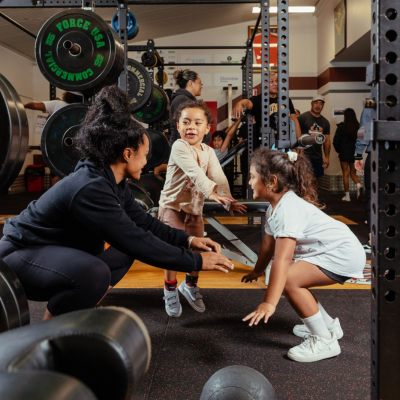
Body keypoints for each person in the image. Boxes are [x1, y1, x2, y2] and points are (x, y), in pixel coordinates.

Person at [0, 86, 234, 321]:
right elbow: (135, 239)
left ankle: (77, 309)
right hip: (17, 259)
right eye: (145, 154)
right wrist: (196, 261)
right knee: (96, 271)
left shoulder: (113, 179)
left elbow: (142, 223)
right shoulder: (91, 187)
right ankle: (50, 332)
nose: (147, 162)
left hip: (51, 250)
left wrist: (189, 240)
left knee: (122, 254)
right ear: (127, 154)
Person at [241, 149, 365, 363]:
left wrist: (269, 303)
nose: (249, 182)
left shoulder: (288, 208)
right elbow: (267, 246)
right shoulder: (274, 209)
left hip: (342, 253)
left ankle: (324, 339)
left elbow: (282, 260)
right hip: (335, 250)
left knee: (288, 278)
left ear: (271, 181)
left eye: (252, 177)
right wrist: (258, 270)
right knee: (289, 278)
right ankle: (327, 325)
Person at [159, 99, 247, 317]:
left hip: (193, 209)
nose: (191, 127)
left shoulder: (208, 151)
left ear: (207, 128)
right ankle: (170, 288)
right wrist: (211, 192)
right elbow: (194, 173)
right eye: (186, 122)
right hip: (172, 206)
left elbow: (218, 175)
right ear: (177, 126)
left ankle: (190, 286)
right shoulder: (179, 146)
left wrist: (228, 200)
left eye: (198, 123)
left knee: (199, 249)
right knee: (173, 251)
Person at [232, 73, 301, 149]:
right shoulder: (258, 100)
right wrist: (239, 103)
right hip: (265, 144)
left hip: (284, 142)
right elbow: (248, 103)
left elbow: (295, 121)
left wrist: (299, 142)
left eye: (277, 81)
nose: (275, 84)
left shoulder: (285, 100)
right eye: (271, 82)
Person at [169, 69, 211, 146]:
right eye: (199, 83)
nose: (201, 86)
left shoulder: (186, 100)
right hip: (185, 151)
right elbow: (184, 130)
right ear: (190, 83)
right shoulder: (182, 100)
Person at [297, 96, 331, 180]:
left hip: (317, 156)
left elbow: (327, 140)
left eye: (320, 103)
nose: (318, 106)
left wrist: (327, 157)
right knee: (305, 180)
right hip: (305, 156)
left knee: (316, 181)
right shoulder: (302, 118)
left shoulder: (325, 122)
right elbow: (295, 135)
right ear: (311, 103)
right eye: (316, 103)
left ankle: (314, 194)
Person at [333, 108, 363, 201]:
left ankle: (347, 196)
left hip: (344, 153)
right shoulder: (358, 127)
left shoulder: (341, 127)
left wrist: (339, 150)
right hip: (355, 153)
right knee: (353, 173)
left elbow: (336, 141)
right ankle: (359, 185)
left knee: (345, 173)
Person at [354, 107, 372, 253]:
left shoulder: (375, 99)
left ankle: (373, 241)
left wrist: (359, 155)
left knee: (374, 198)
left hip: (379, 154)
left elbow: (364, 130)